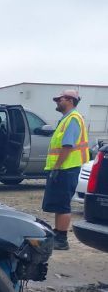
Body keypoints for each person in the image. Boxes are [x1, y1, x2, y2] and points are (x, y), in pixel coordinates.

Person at [42, 88, 90, 250]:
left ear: (70, 100)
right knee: (58, 204)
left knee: (63, 204)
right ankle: (57, 234)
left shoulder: (73, 119)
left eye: (59, 99)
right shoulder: (66, 119)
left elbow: (67, 146)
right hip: (64, 168)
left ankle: (61, 239)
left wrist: (57, 167)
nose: (57, 101)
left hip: (66, 168)